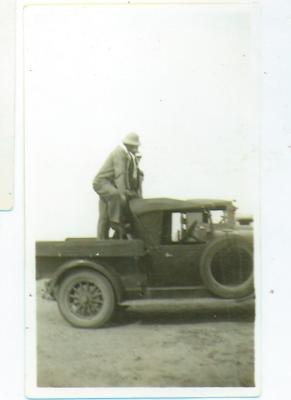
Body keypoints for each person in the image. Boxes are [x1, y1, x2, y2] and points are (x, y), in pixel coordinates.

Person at [93, 132, 143, 239]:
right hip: (102, 182)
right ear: (131, 145)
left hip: (109, 184)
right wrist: (123, 194)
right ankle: (115, 222)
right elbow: (120, 174)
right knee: (116, 195)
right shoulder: (119, 153)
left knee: (104, 215)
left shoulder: (128, 155)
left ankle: (102, 242)